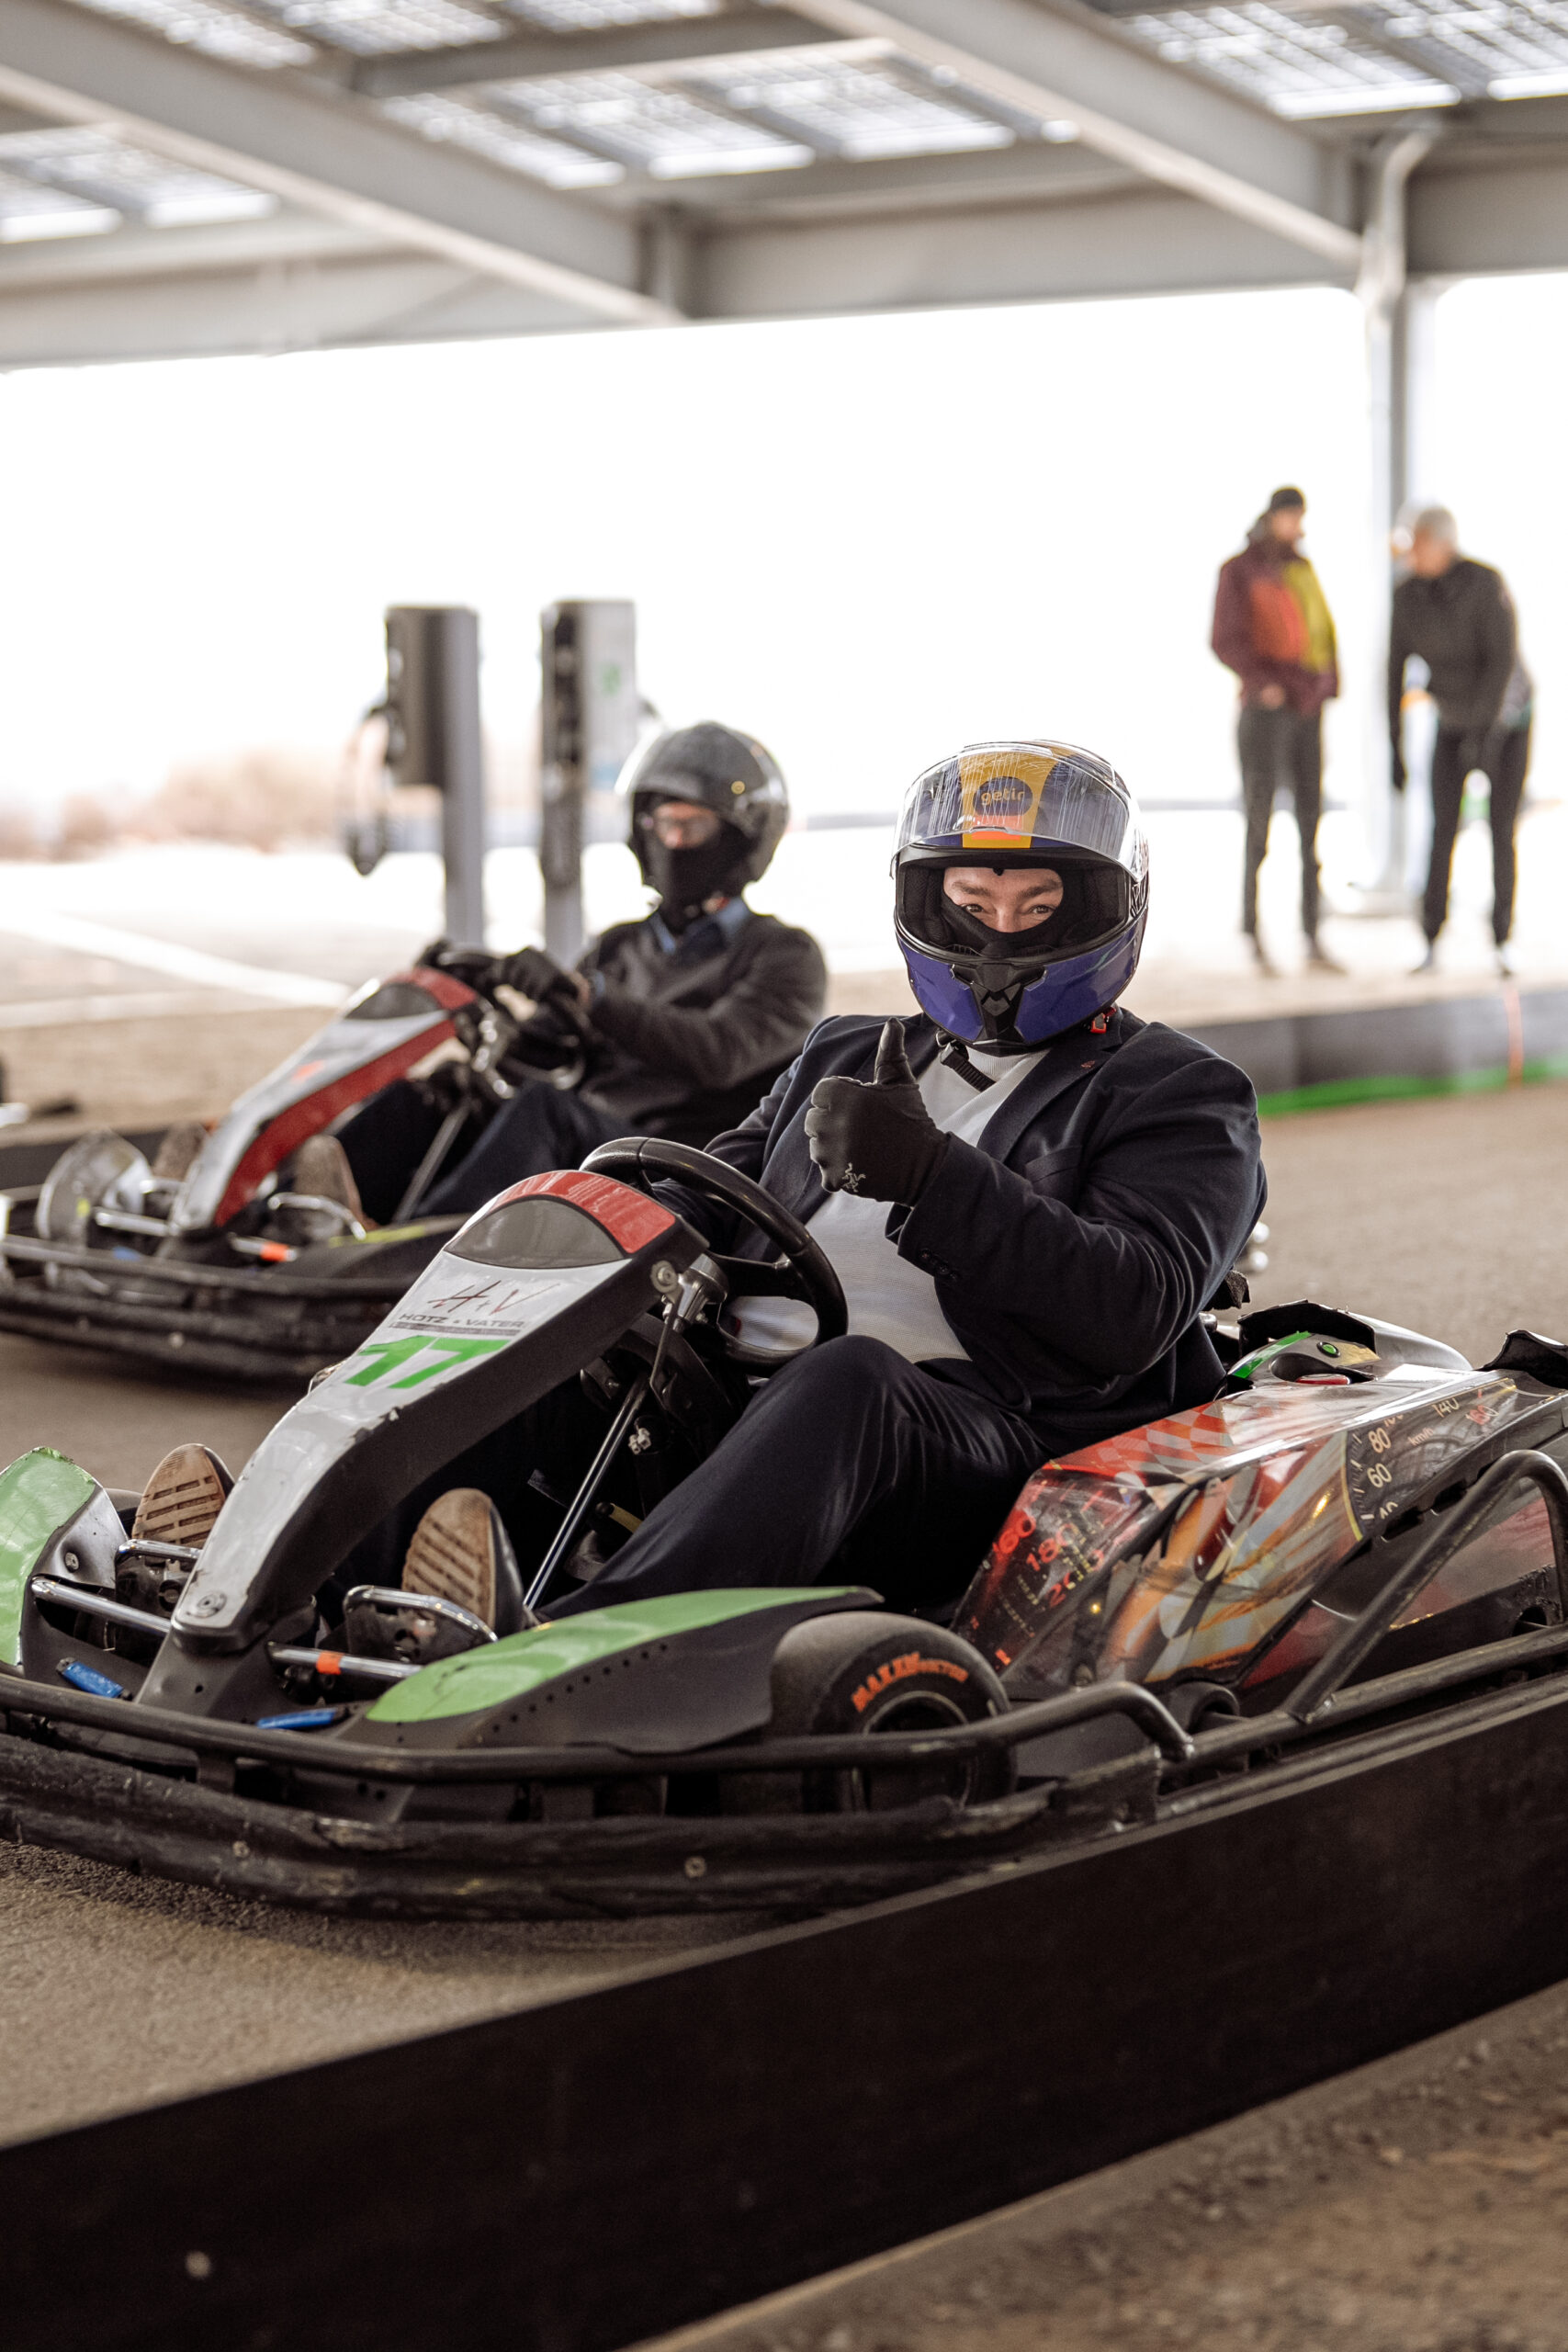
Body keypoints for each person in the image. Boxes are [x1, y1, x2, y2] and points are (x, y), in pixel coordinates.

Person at [314, 739, 1265, 1630]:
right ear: (930, 904)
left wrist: (935, 1176)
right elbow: (702, 1187)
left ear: (1105, 907)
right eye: (973, 905)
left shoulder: (1180, 1092)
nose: (1001, 933)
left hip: (977, 1446)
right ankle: (329, 1587)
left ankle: (567, 1647)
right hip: (735, 1396)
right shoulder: (845, 1052)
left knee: (847, 1377)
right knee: (557, 1339)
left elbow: (1134, 1305)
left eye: (1038, 906)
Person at [333, 722, 827, 1221]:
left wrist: (594, 999)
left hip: (677, 1164)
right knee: (449, 1088)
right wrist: (482, 1009)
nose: (675, 842)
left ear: (742, 838)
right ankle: (308, 1217)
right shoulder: (619, 945)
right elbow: (550, 1047)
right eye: (664, 825)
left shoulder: (784, 955)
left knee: (546, 1112)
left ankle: (413, 1262)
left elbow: (720, 1051)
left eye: (693, 827)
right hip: (589, 1140)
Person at [1390, 508, 1533, 977]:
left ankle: (1503, 938)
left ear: (1440, 544)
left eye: (1417, 543)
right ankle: (1430, 937)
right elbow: (1394, 670)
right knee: (1442, 828)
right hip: (1453, 722)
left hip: (1505, 722)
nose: (1409, 552)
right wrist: (1394, 744)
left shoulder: (1485, 585)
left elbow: (1501, 664)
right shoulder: (1408, 595)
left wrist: (1484, 735)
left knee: (1500, 828)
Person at [1212, 486, 1341, 976]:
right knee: (1260, 820)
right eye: (1290, 517)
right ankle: (1252, 927)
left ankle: (1312, 931)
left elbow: (1321, 635)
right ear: (1273, 517)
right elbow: (1225, 639)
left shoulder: (1300, 568)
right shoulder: (1239, 569)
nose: (1295, 526)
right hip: (1266, 713)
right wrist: (1262, 683)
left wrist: (1327, 685)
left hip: (1308, 709)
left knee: (1312, 821)